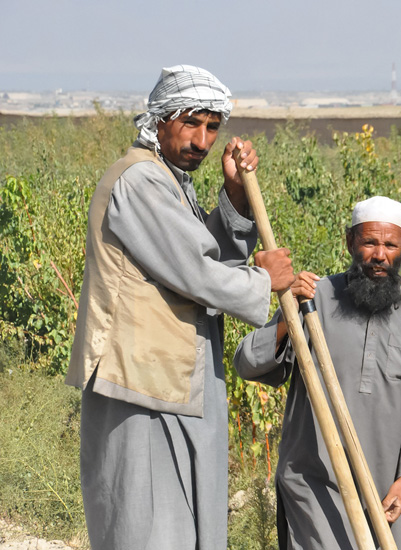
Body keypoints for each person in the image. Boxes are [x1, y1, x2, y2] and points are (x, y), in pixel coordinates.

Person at [65, 65, 295, 550]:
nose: (203, 140)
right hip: (140, 384)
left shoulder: (169, 181)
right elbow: (196, 271)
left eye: (212, 127)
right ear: (161, 120)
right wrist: (261, 281)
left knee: (181, 521)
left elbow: (199, 255)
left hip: (171, 377)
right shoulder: (140, 181)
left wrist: (233, 195)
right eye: (191, 123)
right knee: (148, 526)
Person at [234, 196, 401, 550]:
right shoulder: (314, 298)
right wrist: (287, 312)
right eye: (370, 242)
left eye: (390, 245)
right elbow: (248, 362)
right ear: (350, 242)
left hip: (390, 492)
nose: (380, 255)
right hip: (316, 486)